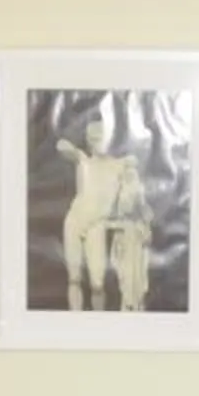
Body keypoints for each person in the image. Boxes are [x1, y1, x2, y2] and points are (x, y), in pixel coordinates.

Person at [57, 111, 153, 311]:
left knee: (97, 284)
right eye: (92, 138)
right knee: (74, 278)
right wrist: (74, 149)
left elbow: (135, 170)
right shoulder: (83, 160)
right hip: (74, 222)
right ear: (88, 140)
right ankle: (76, 324)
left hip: (96, 225)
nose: (96, 142)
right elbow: (62, 146)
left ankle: (96, 324)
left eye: (100, 137)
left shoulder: (118, 165)